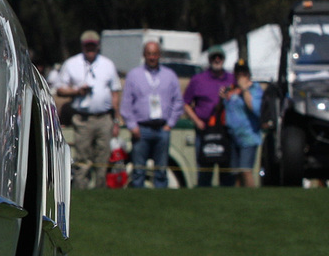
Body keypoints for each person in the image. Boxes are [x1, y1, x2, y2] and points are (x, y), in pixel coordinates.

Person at [53, 30, 123, 189]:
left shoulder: (107, 64)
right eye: (87, 46)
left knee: (103, 157)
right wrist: (77, 91)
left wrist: (116, 120)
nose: (90, 49)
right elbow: (59, 89)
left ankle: (100, 189)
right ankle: (81, 189)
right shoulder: (72, 63)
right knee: (82, 158)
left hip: (104, 118)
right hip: (82, 118)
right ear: (83, 46)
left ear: (98, 46)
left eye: (93, 46)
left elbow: (115, 93)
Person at [120, 40, 185, 188]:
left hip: (162, 129)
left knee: (161, 169)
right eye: (149, 54)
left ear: (159, 55)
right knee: (138, 169)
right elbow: (126, 104)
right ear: (144, 55)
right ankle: (138, 200)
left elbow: (178, 102)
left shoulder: (169, 75)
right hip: (141, 129)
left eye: (155, 54)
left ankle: (161, 200)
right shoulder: (134, 75)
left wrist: (170, 124)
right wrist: (132, 126)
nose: (152, 57)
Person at [184, 47, 236, 187]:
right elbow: (185, 103)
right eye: (214, 57)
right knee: (205, 171)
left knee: (227, 172)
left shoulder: (232, 78)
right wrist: (197, 121)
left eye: (219, 57)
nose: (217, 60)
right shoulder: (198, 79)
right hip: (204, 130)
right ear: (209, 60)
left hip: (226, 131)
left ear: (224, 59)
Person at [224, 62, 263, 188]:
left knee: (246, 170)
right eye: (238, 73)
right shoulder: (232, 89)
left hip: (249, 136)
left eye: (243, 74)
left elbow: (255, 108)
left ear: (248, 74)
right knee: (236, 173)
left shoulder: (255, 89)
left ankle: (252, 196)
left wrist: (244, 89)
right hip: (233, 136)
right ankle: (238, 199)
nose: (240, 76)